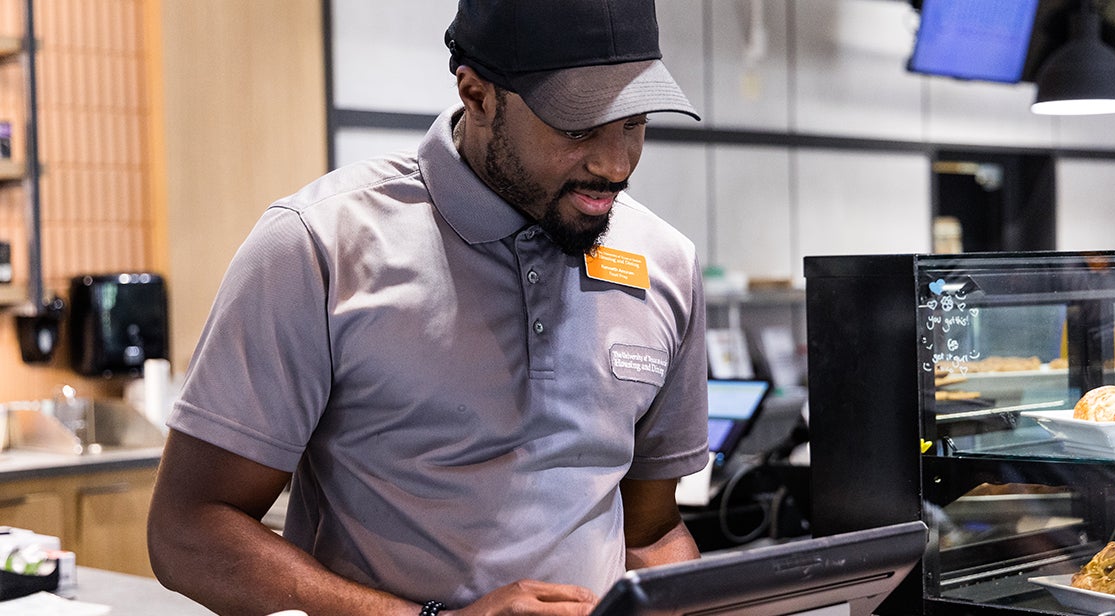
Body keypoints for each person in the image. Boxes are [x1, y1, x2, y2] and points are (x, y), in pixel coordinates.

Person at [146, 0, 708, 614]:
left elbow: (650, 533)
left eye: (634, 122)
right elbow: (189, 531)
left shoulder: (666, 265)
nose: (616, 165)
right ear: (478, 94)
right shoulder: (319, 246)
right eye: (577, 129)